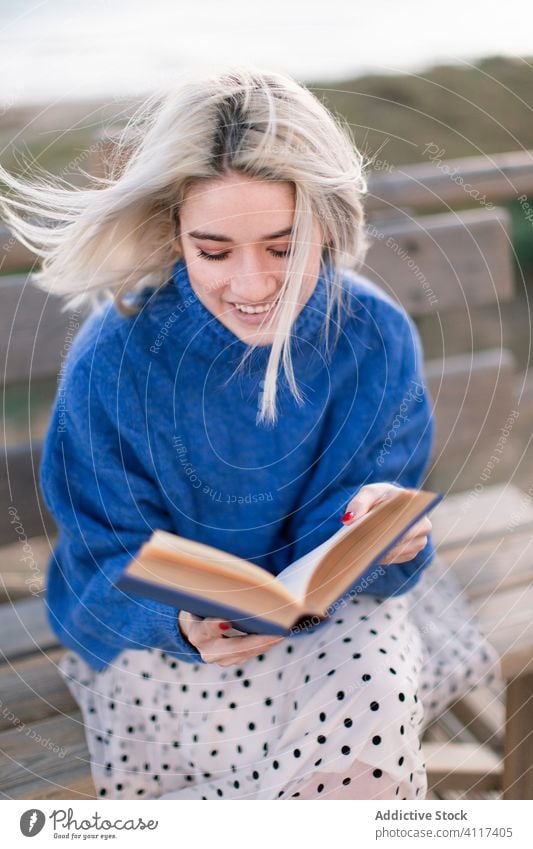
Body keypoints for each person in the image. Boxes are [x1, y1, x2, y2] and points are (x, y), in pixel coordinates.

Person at [0, 65, 499, 801]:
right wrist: (179, 618)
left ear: (327, 224)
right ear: (173, 231)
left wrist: (385, 535)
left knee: (366, 699)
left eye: (281, 247)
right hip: (165, 643)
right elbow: (106, 558)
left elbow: (368, 542)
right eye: (213, 250)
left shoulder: (371, 335)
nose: (252, 285)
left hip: (332, 620)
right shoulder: (116, 357)